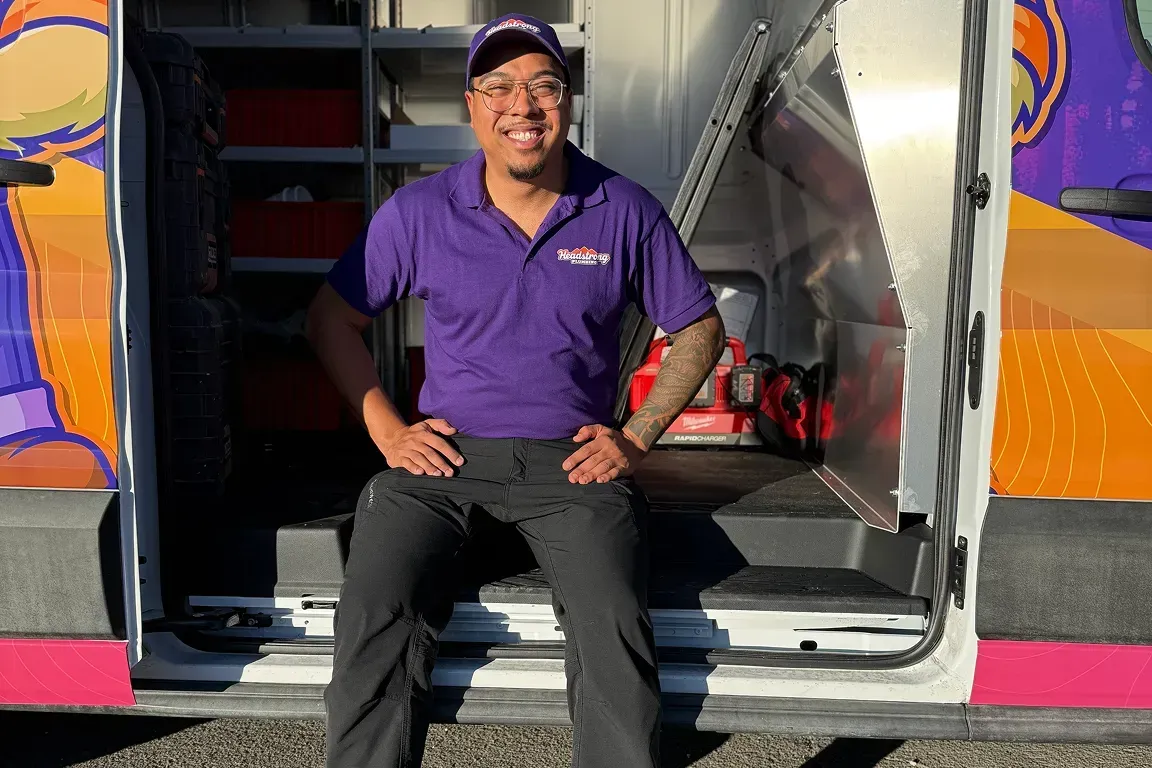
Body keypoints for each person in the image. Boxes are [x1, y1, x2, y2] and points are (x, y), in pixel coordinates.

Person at [306, 13, 725, 768]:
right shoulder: (419, 212)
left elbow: (698, 327)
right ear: (472, 105)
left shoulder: (622, 208)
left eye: (543, 86)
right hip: (445, 461)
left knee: (613, 628)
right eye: (498, 87)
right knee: (376, 611)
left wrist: (637, 435)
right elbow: (331, 319)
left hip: (574, 468)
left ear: (568, 101)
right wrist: (387, 430)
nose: (522, 106)